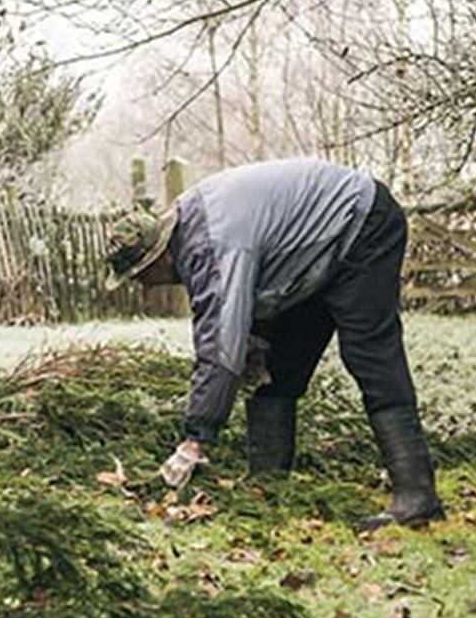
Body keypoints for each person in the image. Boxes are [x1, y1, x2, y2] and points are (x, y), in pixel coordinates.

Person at [104, 158, 444, 529]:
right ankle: (268, 486)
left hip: (361, 223)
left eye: (138, 277)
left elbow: (220, 348)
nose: (141, 285)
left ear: (157, 259)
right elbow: (255, 288)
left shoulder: (207, 246)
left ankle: (417, 496)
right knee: (276, 369)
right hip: (312, 256)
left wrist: (195, 440)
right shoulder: (192, 230)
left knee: (370, 355)